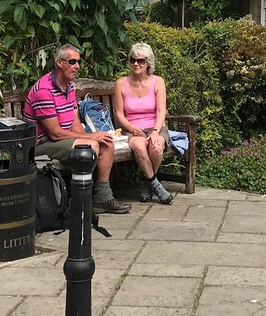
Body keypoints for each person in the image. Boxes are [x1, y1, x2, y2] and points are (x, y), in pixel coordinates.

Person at [22, 44, 130, 214]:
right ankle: (80, 201)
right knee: (90, 146)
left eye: (78, 62)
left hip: (62, 140)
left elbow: (75, 122)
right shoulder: (43, 90)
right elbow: (55, 133)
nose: (77, 66)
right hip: (41, 145)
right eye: (72, 62)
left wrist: (92, 135)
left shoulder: (70, 86)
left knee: (106, 142)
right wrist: (90, 139)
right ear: (59, 63)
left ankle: (102, 198)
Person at [112, 42, 174, 205]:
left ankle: (148, 184)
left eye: (140, 61)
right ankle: (155, 185)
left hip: (156, 126)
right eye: (133, 60)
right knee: (139, 146)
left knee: (156, 146)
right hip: (133, 129)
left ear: (149, 63)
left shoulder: (157, 81)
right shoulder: (121, 83)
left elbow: (161, 112)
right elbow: (119, 114)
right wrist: (131, 127)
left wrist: (155, 131)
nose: (136, 64)